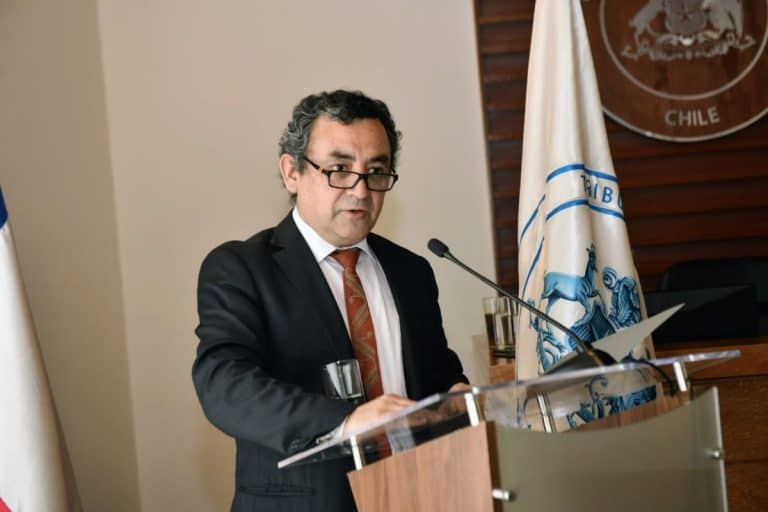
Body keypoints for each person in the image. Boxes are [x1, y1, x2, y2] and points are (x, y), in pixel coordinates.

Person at [192, 89, 469, 512]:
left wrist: (458, 396)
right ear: (292, 172)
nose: (361, 189)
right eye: (339, 169)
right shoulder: (242, 268)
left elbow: (435, 374)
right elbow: (224, 384)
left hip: (415, 496)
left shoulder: (411, 271)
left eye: (376, 171)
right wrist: (345, 422)